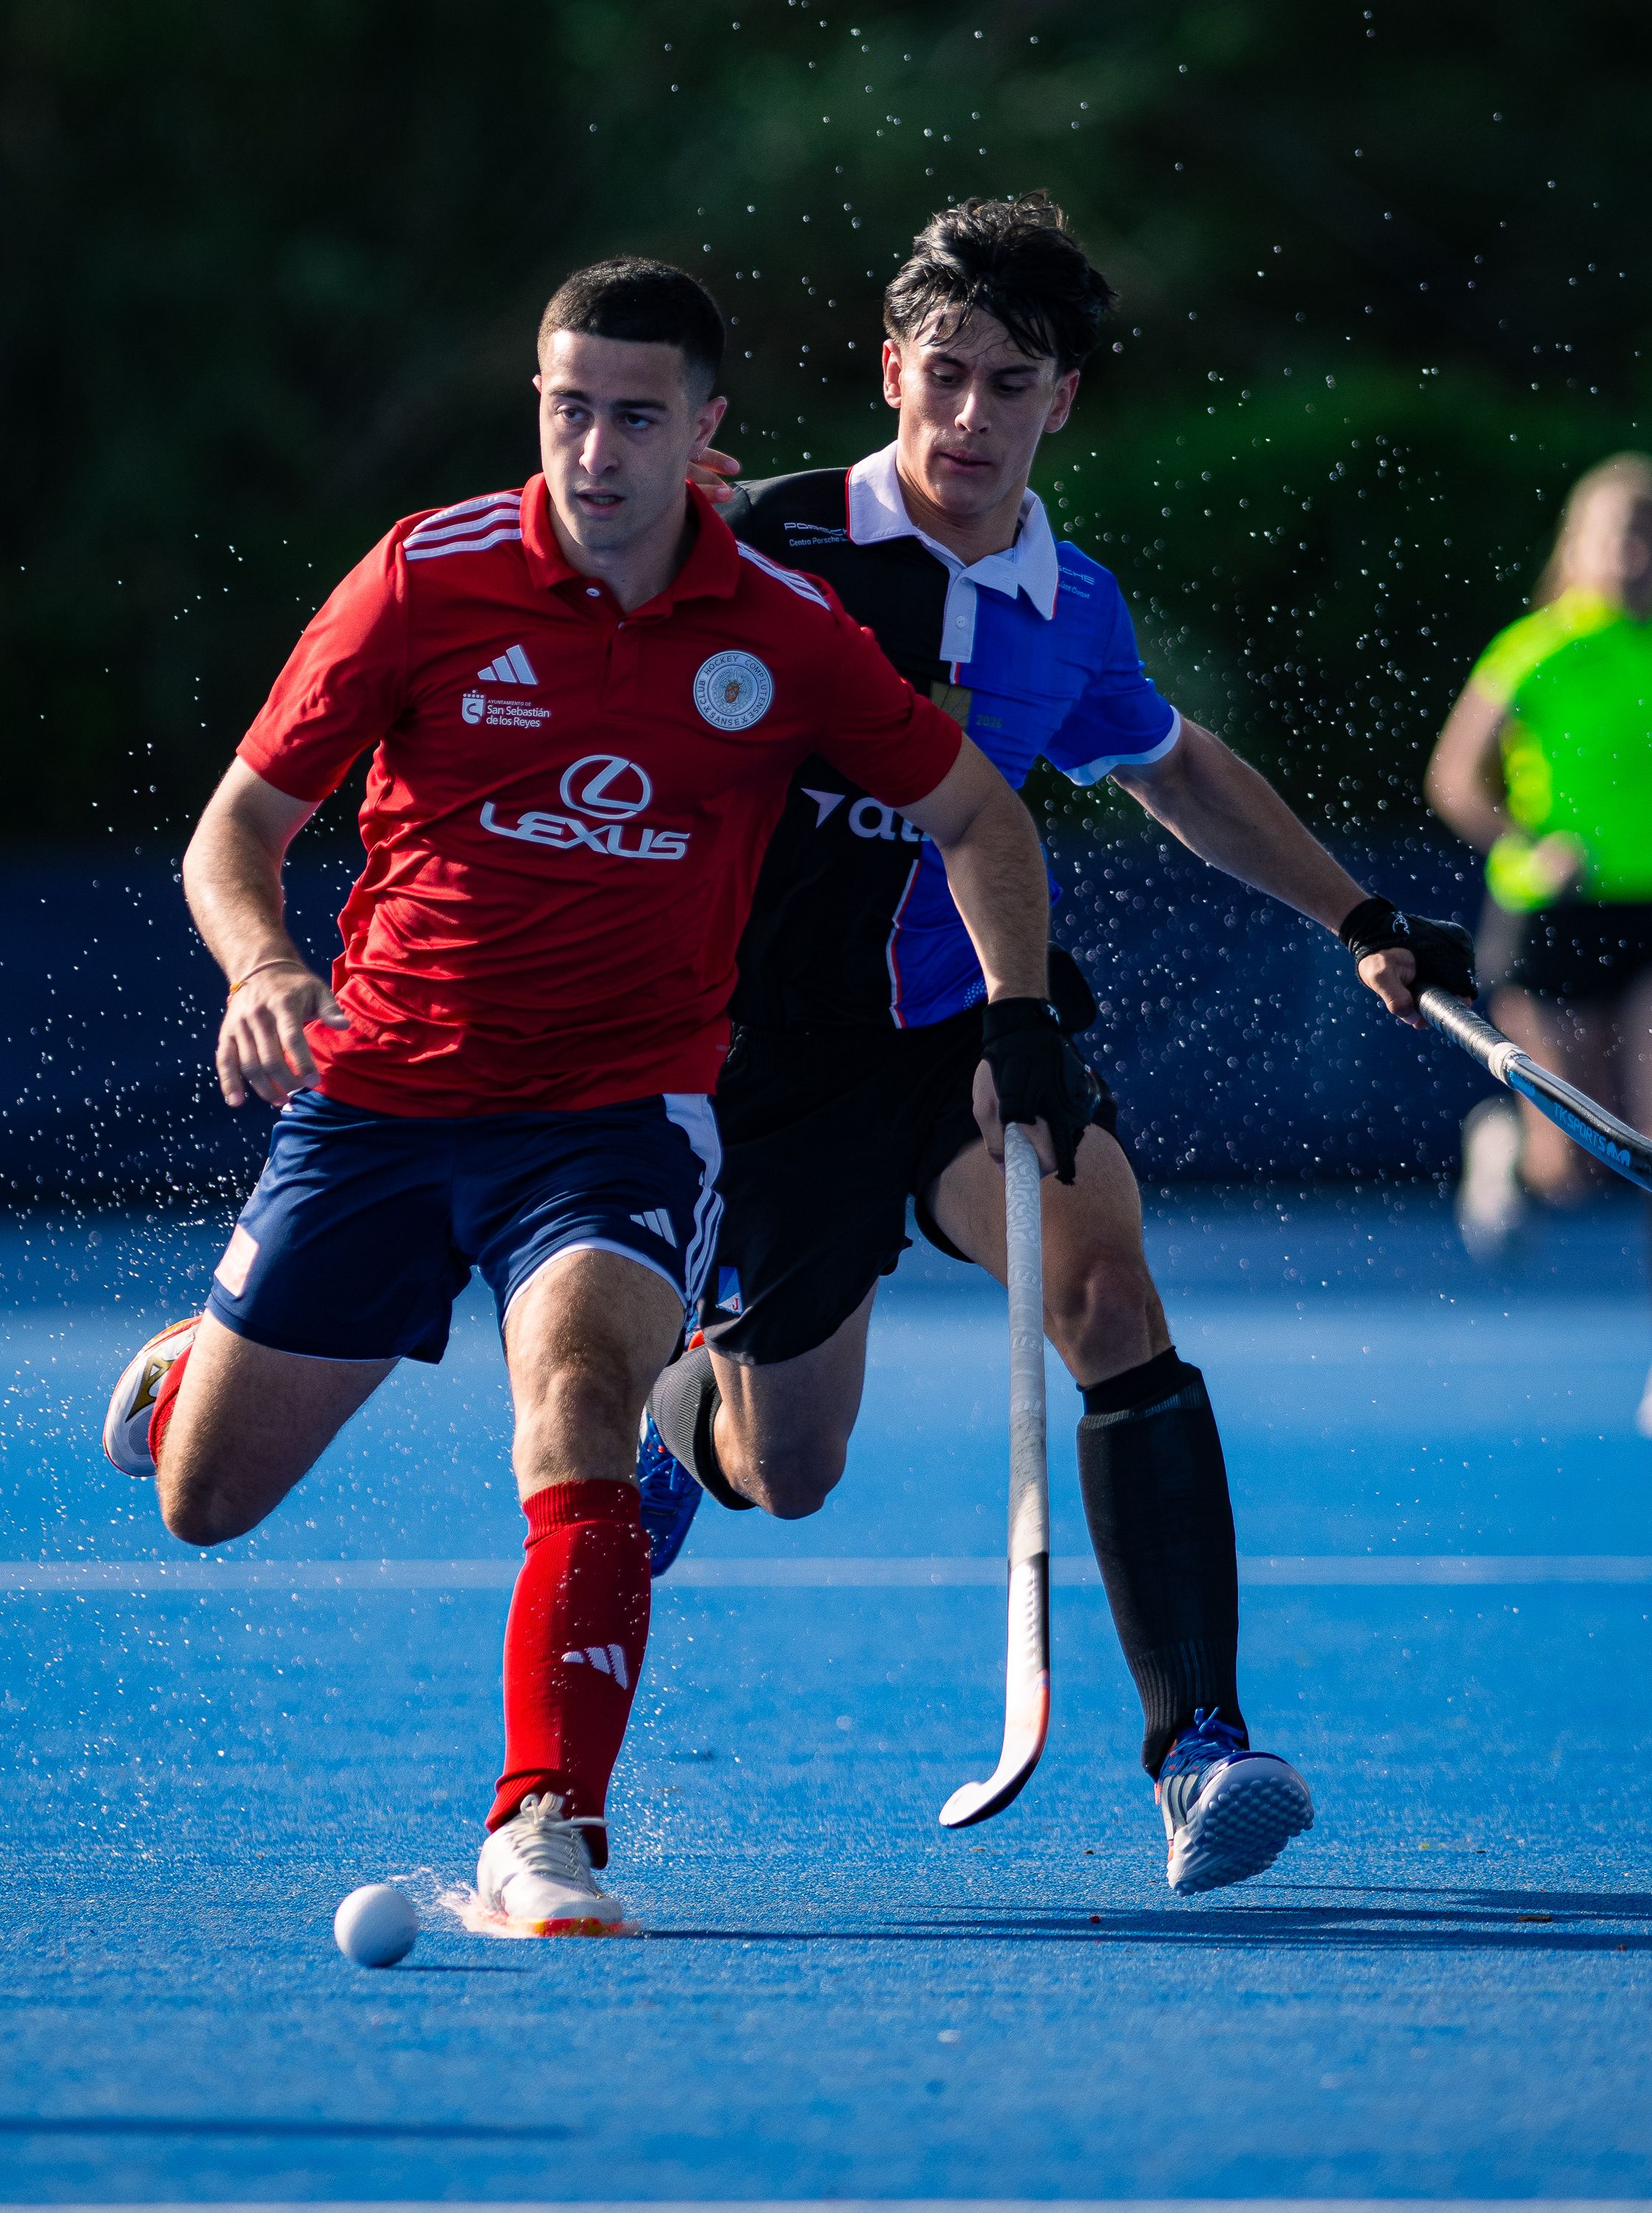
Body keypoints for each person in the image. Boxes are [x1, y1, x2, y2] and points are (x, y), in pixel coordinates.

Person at [99, 256, 1077, 1936]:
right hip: (384, 1101)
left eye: (635, 416)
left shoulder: (783, 633)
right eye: (568, 411)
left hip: (620, 1115)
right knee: (206, 1502)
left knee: (577, 1406)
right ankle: (207, 1363)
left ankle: (544, 1821)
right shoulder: (422, 579)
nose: (595, 451)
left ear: (707, 432)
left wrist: (1018, 1015)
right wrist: (266, 971)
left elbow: (981, 816)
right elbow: (236, 833)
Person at [636, 193, 1476, 1895]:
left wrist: (1360, 920)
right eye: (939, 376)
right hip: (766, 1069)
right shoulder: (761, 546)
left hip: (974, 1032)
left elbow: (1172, 768)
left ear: (1061, 399)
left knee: (1108, 1297)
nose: (966, 418)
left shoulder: (1066, 603)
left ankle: (1201, 1749)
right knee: (787, 1471)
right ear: (888, 369)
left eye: (1007, 385)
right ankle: (679, 1423)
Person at [1427, 454, 1652, 1436]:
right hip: (1551, 920)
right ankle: (1506, 1141)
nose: (1630, 558)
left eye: (1649, 540)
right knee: (1573, 1167)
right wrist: (1523, 845)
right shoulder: (1533, 651)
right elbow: (1455, 780)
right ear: (1578, 548)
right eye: (1613, 539)